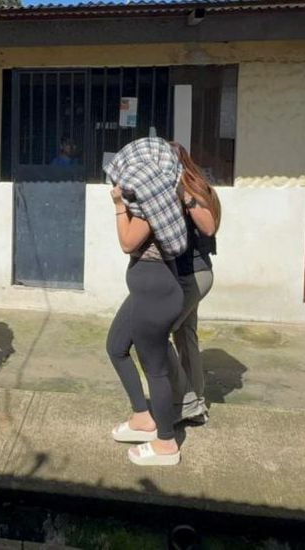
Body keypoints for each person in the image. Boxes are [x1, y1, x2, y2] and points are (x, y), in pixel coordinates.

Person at [103, 137, 187, 467]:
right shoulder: (155, 203)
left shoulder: (153, 209)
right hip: (146, 292)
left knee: (155, 369)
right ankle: (142, 417)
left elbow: (127, 242)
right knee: (116, 347)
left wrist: (118, 204)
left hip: (155, 294)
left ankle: (166, 444)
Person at [168, 143, 221, 426]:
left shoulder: (195, 188)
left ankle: (185, 401)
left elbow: (209, 227)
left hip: (196, 274)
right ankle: (195, 404)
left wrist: (183, 194)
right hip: (183, 275)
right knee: (186, 336)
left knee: (159, 331)